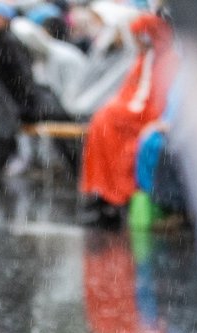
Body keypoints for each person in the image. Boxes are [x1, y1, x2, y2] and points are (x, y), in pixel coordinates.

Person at [78, 11, 178, 227]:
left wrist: (121, 112)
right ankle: (103, 192)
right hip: (131, 118)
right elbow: (128, 93)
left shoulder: (167, 59)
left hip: (144, 119)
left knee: (109, 126)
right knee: (101, 125)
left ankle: (114, 195)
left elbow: (157, 102)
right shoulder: (144, 59)